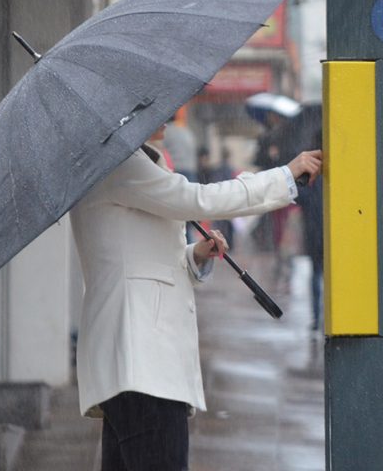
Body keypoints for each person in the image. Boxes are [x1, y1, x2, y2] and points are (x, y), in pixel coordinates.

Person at [70, 124, 322, 471]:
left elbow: (138, 258)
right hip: (141, 362)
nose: (167, 118)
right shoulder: (118, 164)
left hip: (136, 365)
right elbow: (198, 198)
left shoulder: (130, 163)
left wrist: (195, 255)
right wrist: (284, 176)